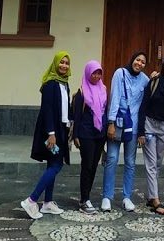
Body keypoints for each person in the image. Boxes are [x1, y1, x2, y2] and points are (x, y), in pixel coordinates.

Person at [21, 50, 72, 219]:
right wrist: (51, 133)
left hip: (61, 129)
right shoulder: (50, 84)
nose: (64, 65)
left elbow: (65, 108)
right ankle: (31, 200)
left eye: (67, 63)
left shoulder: (64, 83)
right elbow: (47, 110)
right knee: (56, 165)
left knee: (53, 164)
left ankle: (48, 203)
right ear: (55, 64)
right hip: (52, 132)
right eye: (61, 62)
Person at [101, 51, 149, 211]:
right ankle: (107, 196)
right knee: (112, 159)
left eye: (143, 62)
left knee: (130, 162)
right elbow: (114, 98)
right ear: (132, 59)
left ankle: (126, 197)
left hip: (133, 128)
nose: (139, 64)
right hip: (117, 125)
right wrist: (111, 122)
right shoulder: (120, 73)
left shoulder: (145, 79)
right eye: (137, 60)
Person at [138, 56, 164, 215]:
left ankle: (150, 195)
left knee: (157, 162)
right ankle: (155, 200)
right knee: (150, 163)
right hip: (149, 124)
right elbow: (143, 106)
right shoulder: (154, 82)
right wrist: (141, 131)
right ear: (163, 69)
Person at [71, 59, 108, 212]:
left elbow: (105, 111)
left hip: (100, 135)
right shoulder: (81, 92)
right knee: (86, 166)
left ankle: (87, 197)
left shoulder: (103, 89)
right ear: (88, 73)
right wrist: (76, 135)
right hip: (86, 134)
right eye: (94, 73)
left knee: (93, 166)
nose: (97, 76)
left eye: (99, 73)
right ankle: (84, 200)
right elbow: (77, 116)